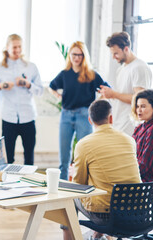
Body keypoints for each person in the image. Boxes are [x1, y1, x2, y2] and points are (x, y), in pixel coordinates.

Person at [63, 100, 141, 240]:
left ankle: (69, 238)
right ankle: (98, 235)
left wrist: (75, 173)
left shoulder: (84, 144)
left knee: (69, 198)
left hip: (106, 216)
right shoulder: (130, 140)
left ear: (90, 120)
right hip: (136, 212)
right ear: (111, 118)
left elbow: (78, 185)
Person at [49, 41, 110, 180]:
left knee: (84, 154)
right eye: (74, 54)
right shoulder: (65, 74)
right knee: (64, 157)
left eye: (80, 55)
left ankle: (82, 186)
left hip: (84, 115)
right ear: (69, 56)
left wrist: (97, 102)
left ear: (84, 56)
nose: (76, 58)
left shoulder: (91, 74)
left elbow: (106, 88)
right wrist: (58, 96)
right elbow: (51, 86)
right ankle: (62, 187)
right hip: (66, 115)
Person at [0, 34, 43, 165]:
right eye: (14, 47)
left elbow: (40, 91)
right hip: (8, 118)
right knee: (7, 158)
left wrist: (28, 84)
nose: (17, 50)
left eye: (19, 47)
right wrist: (0, 86)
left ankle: (29, 184)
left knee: (29, 158)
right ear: (7, 48)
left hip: (28, 117)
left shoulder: (31, 67)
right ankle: (8, 183)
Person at [100, 31, 152, 136]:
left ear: (126, 49)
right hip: (119, 123)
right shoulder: (122, 69)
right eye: (112, 54)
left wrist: (114, 94)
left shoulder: (139, 68)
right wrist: (108, 95)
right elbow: (122, 95)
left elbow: (140, 100)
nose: (114, 57)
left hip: (131, 126)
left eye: (116, 53)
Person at [132, 89, 153, 182]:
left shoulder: (152, 129)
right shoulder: (139, 128)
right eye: (137, 106)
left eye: (143, 106)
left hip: (147, 183)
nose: (139, 110)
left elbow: (144, 165)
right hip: (136, 176)